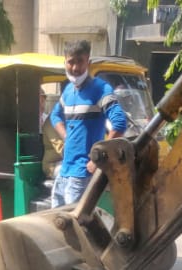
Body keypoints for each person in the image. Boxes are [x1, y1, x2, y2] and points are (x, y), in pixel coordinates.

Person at [49, 39, 126, 209]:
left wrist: (98, 159)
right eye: (71, 62)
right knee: (57, 222)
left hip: (82, 174)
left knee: (75, 226)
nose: (75, 68)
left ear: (88, 63)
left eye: (80, 62)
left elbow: (119, 123)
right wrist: (67, 137)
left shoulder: (101, 89)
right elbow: (55, 116)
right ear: (65, 62)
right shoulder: (68, 91)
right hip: (65, 171)